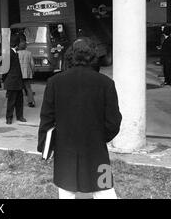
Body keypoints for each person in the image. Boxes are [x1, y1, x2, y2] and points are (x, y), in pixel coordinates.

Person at [37, 38, 122, 199]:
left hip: (65, 148)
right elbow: (114, 121)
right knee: (105, 191)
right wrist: (99, 137)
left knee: (66, 192)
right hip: (96, 148)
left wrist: (45, 147)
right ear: (93, 56)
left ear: (70, 56)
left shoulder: (54, 82)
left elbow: (47, 120)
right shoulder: (106, 83)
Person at [2, 34, 26, 124]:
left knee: (19, 100)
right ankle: (9, 118)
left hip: (18, 81)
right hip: (12, 81)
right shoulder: (9, 54)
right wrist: (5, 80)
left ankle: (20, 116)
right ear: (16, 44)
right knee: (11, 101)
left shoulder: (14, 52)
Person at [17, 40, 36, 107]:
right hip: (27, 73)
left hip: (18, 73)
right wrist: (33, 72)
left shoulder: (17, 53)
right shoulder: (29, 53)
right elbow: (32, 64)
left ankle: (18, 103)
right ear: (25, 46)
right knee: (28, 88)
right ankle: (31, 102)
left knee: (18, 89)